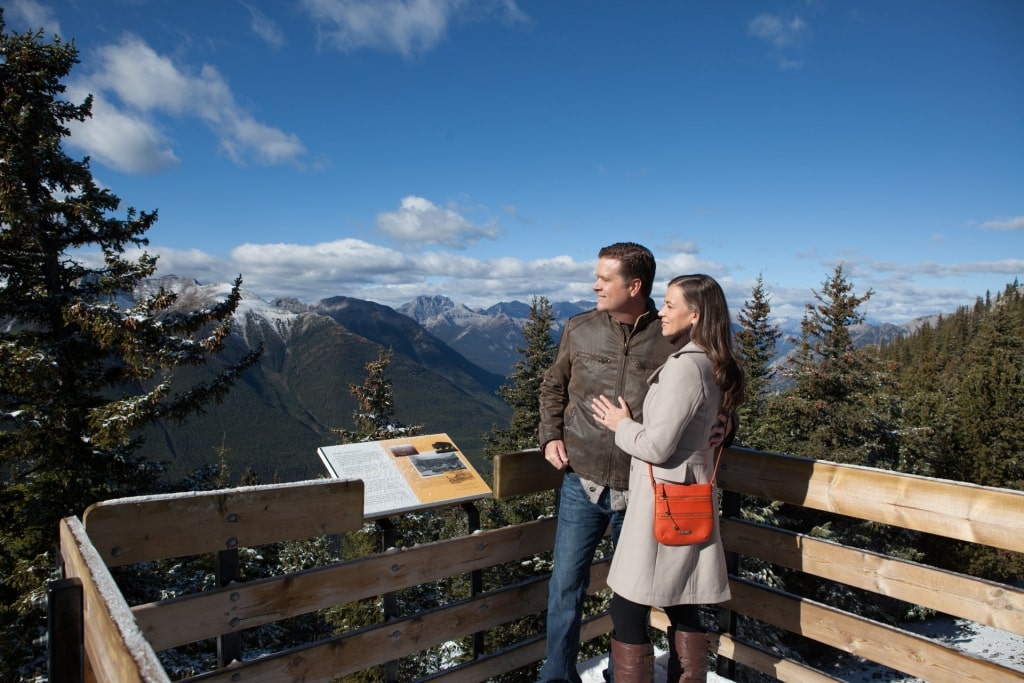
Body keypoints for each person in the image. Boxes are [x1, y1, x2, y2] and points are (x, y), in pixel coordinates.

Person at [591, 273, 744, 683]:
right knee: (684, 600)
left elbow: (657, 447)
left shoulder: (685, 368)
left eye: (671, 305)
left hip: (664, 501)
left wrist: (619, 423)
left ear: (695, 314)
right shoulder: (712, 362)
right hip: (690, 497)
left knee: (626, 606)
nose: (662, 311)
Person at [537, 242, 678, 683]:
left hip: (642, 487)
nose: (595, 284)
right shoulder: (580, 328)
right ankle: (558, 677)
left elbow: (710, 392)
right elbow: (552, 388)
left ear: (634, 285)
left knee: (633, 596)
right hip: (583, 481)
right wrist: (549, 437)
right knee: (565, 588)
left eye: (605, 278)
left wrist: (722, 430)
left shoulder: (672, 336)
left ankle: (626, 676)